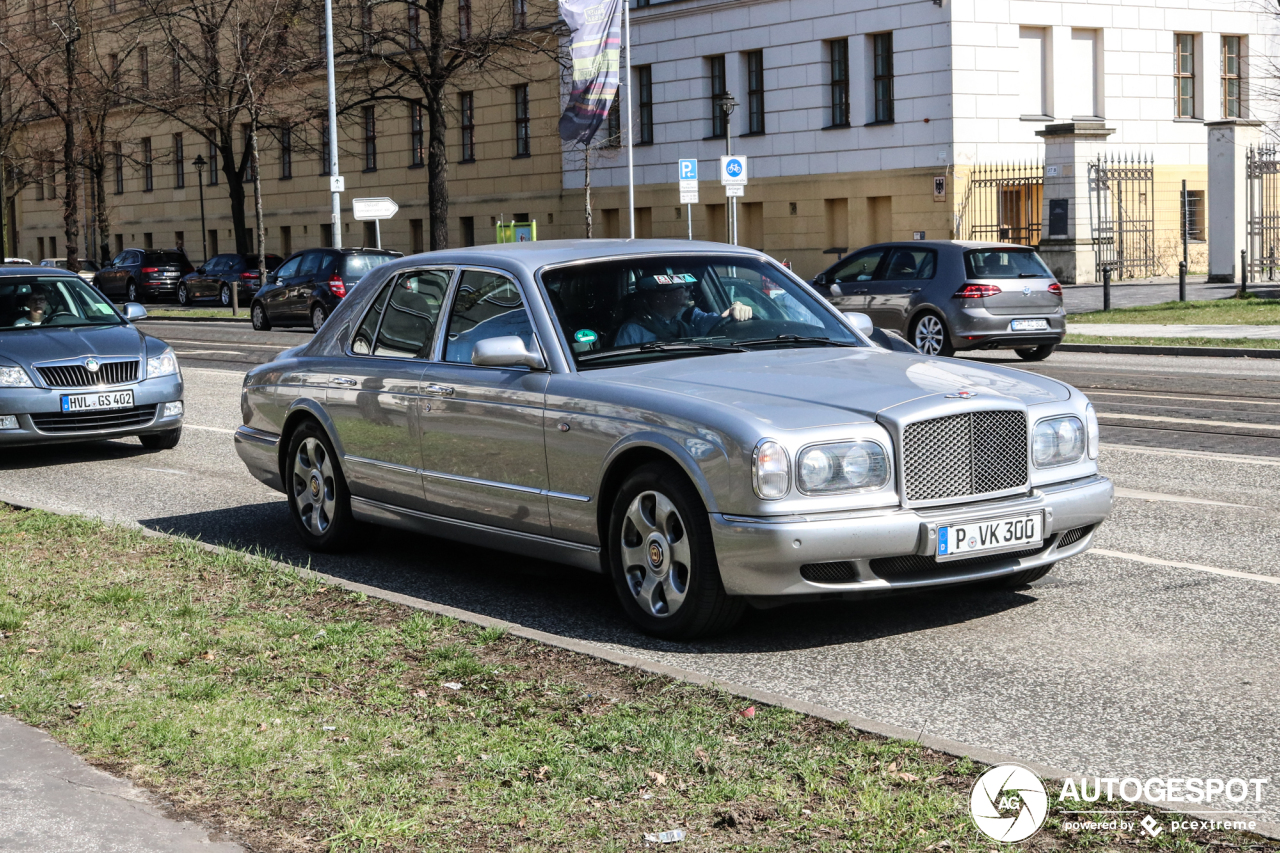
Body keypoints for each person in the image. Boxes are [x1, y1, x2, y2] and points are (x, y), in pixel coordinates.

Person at [614, 275, 752, 346]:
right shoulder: (632, 331)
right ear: (661, 294)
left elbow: (722, 323)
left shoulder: (691, 317)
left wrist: (737, 307)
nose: (690, 289)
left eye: (689, 284)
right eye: (682, 285)